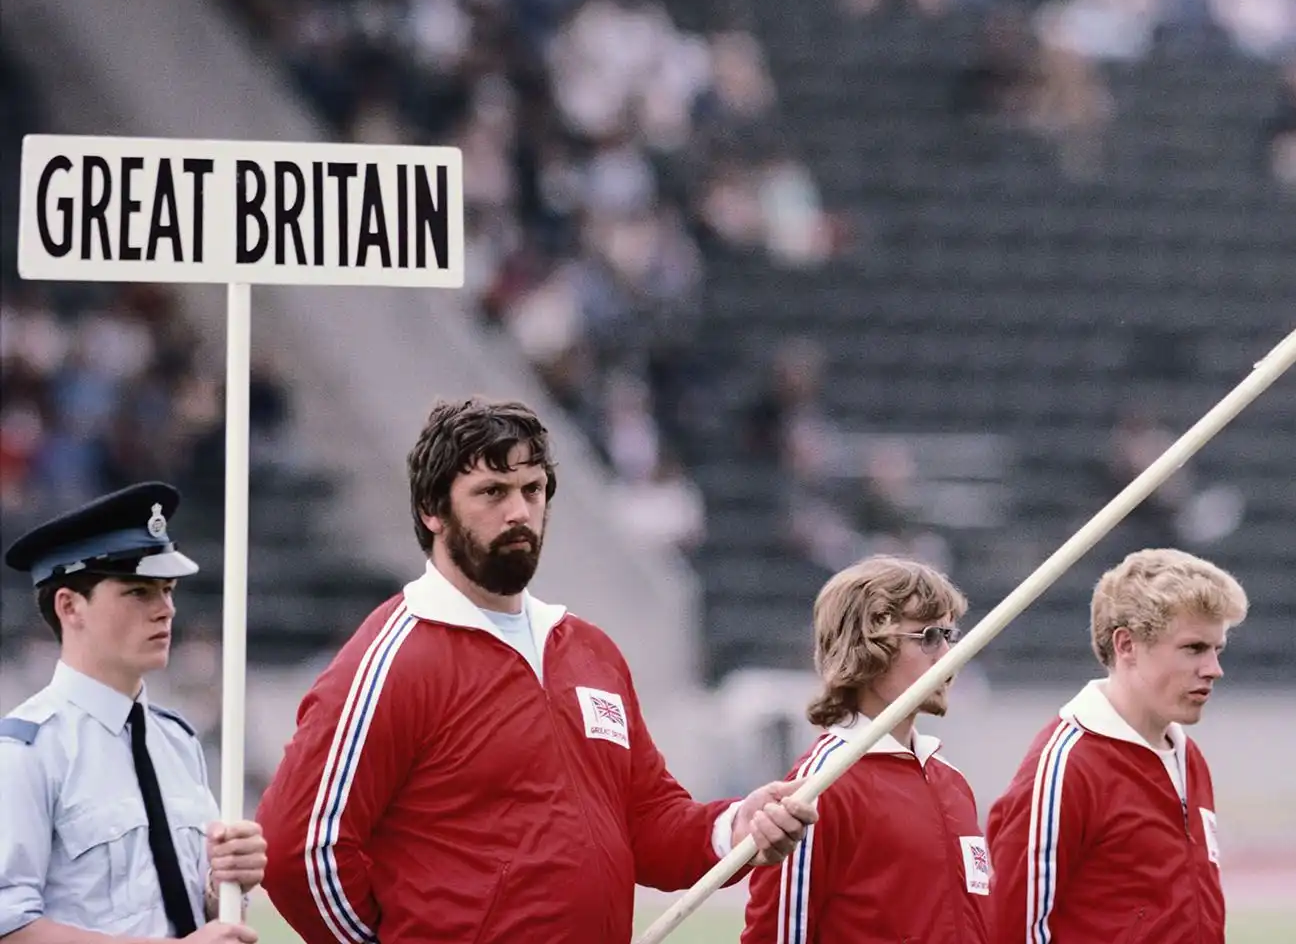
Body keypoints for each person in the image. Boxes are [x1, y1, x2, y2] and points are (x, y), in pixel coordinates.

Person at [253, 398, 815, 943]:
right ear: (433, 509)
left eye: (533, 490)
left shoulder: (588, 651)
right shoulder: (395, 657)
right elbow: (299, 849)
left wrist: (735, 828)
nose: (519, 511)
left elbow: (646, 819)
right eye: (492, 492)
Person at [0, 481, 268, 943]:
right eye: (139, 592)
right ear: (70, 606)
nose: (165, 609)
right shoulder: (27, 751)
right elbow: (11, 926)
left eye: (167, 590)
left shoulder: (177, 742)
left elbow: (184, 904)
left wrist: (225, 883)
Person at [985, 548, 1249, 944]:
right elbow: (1012, 930)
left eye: (1217, 650)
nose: (1214, 669)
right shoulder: (1065, 766)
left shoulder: (1187, 757)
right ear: (1126, 645)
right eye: (1194, 648)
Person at [741, 555, 990, 944]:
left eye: (950, 637)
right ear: (867, 646)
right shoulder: (819, 787)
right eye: (928, 637)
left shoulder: (952, 781)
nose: (948, 656)